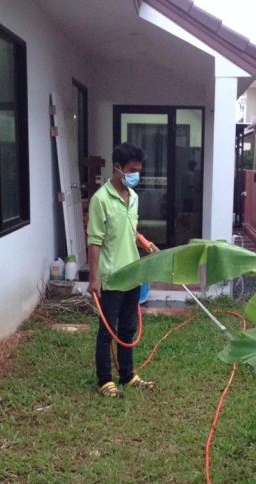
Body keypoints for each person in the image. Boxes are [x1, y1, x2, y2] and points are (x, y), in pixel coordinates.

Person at [87, 142, 160, 398]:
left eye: (138, 170)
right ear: (118, 168)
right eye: (132, 170)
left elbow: (130, 231)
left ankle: (127, 375)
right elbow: (95, 241)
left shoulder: (134, 198)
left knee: (128, 329)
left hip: (133, 274)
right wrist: (94, 278)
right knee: (107, 332)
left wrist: (146, 244)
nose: (135, 175)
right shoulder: (100, 200)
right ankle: (105, 380)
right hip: (112, 277)